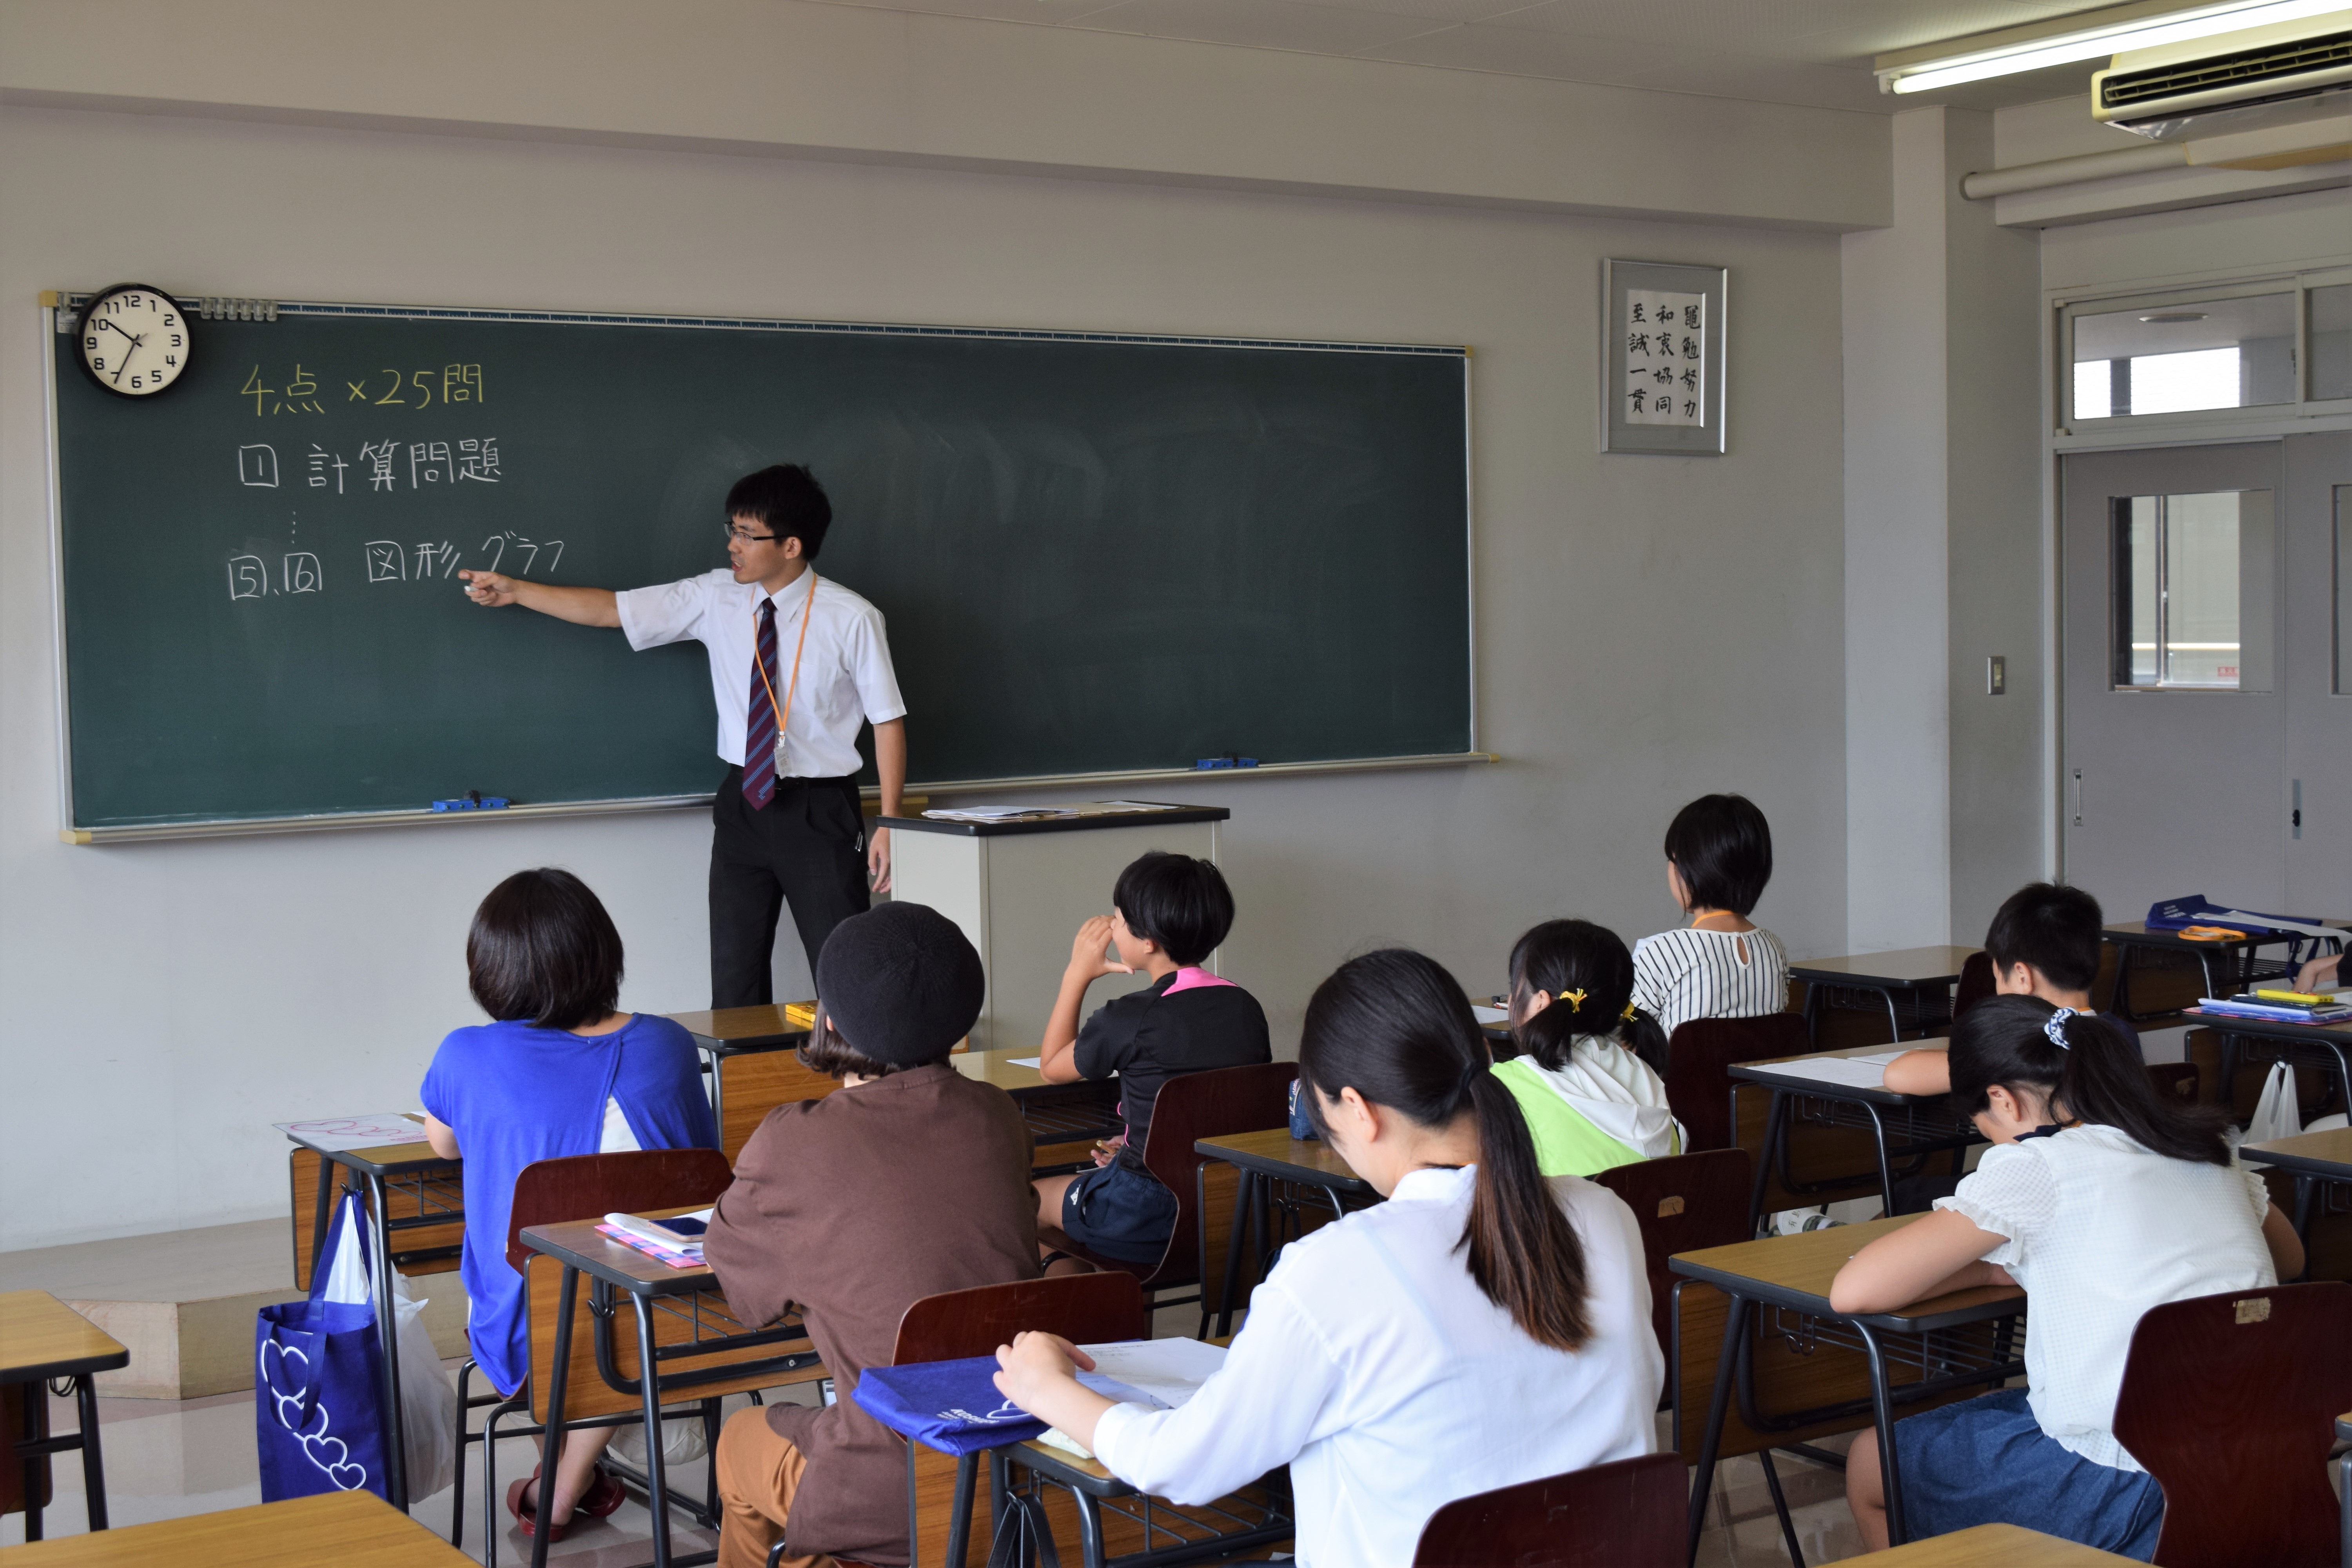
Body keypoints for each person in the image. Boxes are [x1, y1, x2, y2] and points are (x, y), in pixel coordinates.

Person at [990, 948, 1661, 1568]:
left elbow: (1183, 1465)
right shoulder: (1606, 1218)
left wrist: (1047, 1388)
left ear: (1359, 1110)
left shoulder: (1338, 1269)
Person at [1830, 996, 2303, 1559]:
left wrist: (1994, 1271)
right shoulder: (2202, 1141)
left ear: (2002, 1100)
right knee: (2002, 1412)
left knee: (1871, 1464)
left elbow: (1854, 1290)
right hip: (2263, 1461)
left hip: (2121, 1488)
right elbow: (2290, 1259)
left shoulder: (2038, 1164)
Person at [459, 464, 906, 1007]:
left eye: (748, 535)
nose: (733, 545)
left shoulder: (852, 617)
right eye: (733, 529)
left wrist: (890, 822)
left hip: (820, 808)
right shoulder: (716, 596)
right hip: (743, 802)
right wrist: (518, 591)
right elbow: (612, 610)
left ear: (791, 546)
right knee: (735, 975)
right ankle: (746, 1066)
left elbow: (887, 720)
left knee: (845, 971)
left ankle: (855, 1064)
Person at [701, 902, 1038, 1568]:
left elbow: (747, 1298)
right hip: (1022, 1471)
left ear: (829, 1018)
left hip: (889, 1489)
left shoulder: (794, 1140)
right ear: (962, 1018)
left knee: (739, 1440)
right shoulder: (999, 1115)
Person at [419, 869, 719, 1540]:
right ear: (601, 951)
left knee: (536, 1280)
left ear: (492, 967)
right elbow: (703, 1165)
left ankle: (559, 1485)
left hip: (532, 1324)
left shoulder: (466, 1054)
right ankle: (575, 1474)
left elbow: (443, 1144)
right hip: (672, 1316)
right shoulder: (668, 1043)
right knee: (598, 1279)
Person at [1033, 852, 1269, 1266]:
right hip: (1229, 1204)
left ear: (1148, 942)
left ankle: (1093, 1302)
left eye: (1118, 918)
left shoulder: (1130, 1017)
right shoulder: (1245, 1006)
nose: (1112, 926)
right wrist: (1138, 1146)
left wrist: (1077, 973)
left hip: (1143, 1212)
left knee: (1026, 1200)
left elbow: (1052, 1067)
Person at [1884, 883, 2138, 1099]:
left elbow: (1898, 1074)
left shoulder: (2023, 1048)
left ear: (2022, 977)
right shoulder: (2120, 1035)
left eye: (1997, 978)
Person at [1493, 918, 1682, 1176]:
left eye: (1514, 988)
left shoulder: (1502, 1087)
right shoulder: (1646, 1075)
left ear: (1541, 1002)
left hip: (1562, 1206)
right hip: (1658, 1203)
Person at [1632, 793, 1789, 1058]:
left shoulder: (1662, 951)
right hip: (1754, 1086)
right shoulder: (1774, 948)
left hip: (1678, 1087)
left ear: (1688, 868)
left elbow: (1627, 1043)